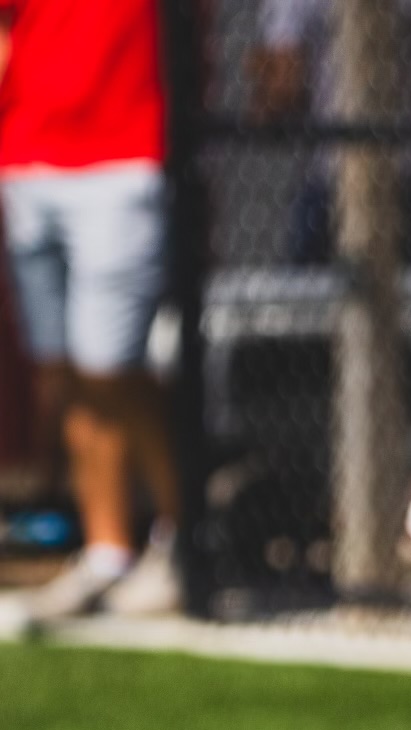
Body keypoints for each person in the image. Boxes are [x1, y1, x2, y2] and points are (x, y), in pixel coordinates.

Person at [0, 0, 183, 619]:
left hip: (120, 160)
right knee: (64, 372)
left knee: (111, 367)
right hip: (26, 160)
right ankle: (108, 552)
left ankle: (184, 540)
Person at [248, 0, 411, 265]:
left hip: (332, 173)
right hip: (401, 168)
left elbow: (286, 84)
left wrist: (262, 91)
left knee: (307, 294)